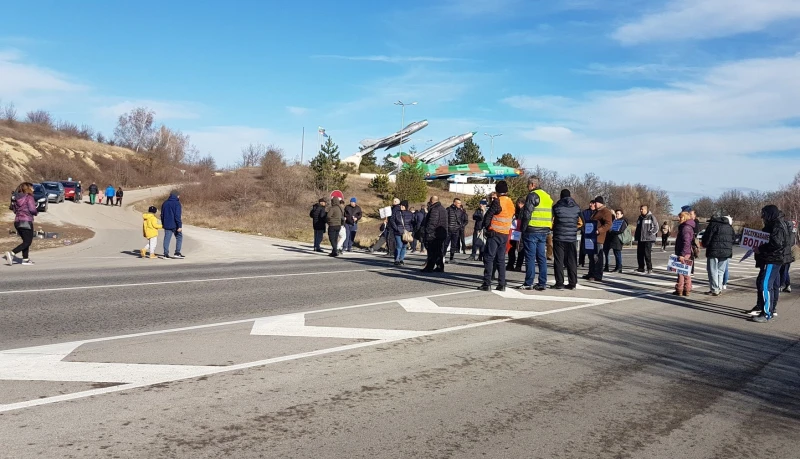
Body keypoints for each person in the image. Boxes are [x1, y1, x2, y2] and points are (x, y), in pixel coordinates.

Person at [749, 206, 789, 322]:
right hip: (772, 258)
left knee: (765, 285)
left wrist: (760, 249)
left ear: (770, 214)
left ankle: (767, 313)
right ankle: (766, 310)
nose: (762, 216)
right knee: (767, 284)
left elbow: (776, 244)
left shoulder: (776, 226)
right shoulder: (776, 225)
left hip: (772, 259)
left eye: (764, 213)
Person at [519, 176, 553, 291]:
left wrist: (523, 230)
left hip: (532, 230)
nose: (527, 187)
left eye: (528, 185)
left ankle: (529, 282)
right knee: (541, 258)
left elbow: (527, 214)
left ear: (532, 185)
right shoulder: (547, 196)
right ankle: (542, 283)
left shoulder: (532, 195)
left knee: (530, 257)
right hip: (544, 230)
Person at [479, 181, 515, 291]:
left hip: (494, 233)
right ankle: (502, 284)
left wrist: (487, 228)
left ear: (498, 191)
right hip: (505, 234)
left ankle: (487, 283)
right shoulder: (510, 202)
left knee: (489, 258)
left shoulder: (498, 202)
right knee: (501, 259)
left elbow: (488, 216)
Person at [551, 189, 582, 290]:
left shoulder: (556, 207)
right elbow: (581, 223)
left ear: (561, 196)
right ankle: (572, 282)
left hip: (559, 237)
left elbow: (551, 222)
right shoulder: (577, 208)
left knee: (559, 260)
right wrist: (573, 229)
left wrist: (555, 228)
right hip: (572, 238)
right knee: (572, 260)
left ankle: (559, 282)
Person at [5, 182, 38, 266]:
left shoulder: (16, 197)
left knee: (25, 241)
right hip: (26, 221)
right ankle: (12, 253)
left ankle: (25, 260)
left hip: (17, 221)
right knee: (28, 242)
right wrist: (36, 210)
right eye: (32, 187)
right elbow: (32, 210)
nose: (33, 189)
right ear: (28, 188)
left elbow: (15, 210)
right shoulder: (29, 197)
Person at [701, 213, 735, 296]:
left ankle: (714, 289)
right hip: (726, 251)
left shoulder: (713, 225)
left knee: (712, 270)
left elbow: (707, 237)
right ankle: (719, 288)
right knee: (721, 271)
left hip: (713, 250)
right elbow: (733, 239)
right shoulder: (729, 227)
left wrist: (705, 244)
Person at [587, 196, 613, 282]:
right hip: (592, 237)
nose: (594, 204)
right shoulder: (596, 212)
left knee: (597, 257)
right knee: (591, 256)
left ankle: (597, 275)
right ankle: (591, 273)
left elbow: (608, 224)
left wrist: (599, 230)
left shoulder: (606, 212)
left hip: (599, 238)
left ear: (599, 203)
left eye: (595, 202)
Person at [422, 196, 448, 272]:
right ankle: (440, 266)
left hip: (434, 234)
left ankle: (429, 267)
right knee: (438, 251)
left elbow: (432, 223)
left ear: (432, 201)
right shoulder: (443, 209)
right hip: (441, 233)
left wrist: (427, 231)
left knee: (432, 251)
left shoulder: (434, 209)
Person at [673, 211, 696, 296]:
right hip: (686, 252)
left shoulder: (685, 228)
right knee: (685, 271)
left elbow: (686, 242)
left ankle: (680, 289)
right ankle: (686, 289)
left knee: (681, 271)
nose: (679, 219)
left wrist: (682, 254)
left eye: (681, 217)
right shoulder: (687, 227)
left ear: (685, 218)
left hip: (684, 252)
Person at [634, 205, 659, 274]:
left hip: (648, 239)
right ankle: (641, 267)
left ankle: (649, 268)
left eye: (642, 209)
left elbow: (656, 227)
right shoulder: (640, 218)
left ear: (646, 209)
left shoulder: (651, 217)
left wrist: (650, 233)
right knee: (639, 254)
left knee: (647, 254)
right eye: (640, 209)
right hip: (641, 238)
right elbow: (638, 228)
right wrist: (636, 236)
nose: (641, 210)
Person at [161, 190, 185, 259]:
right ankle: (177, 253)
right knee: (179, 237)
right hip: (175, 224)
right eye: (178, 195)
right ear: (176, 195)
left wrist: (163, 223)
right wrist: (179, 226)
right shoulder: (177, 203)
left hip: (167, 224)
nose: (179, 196)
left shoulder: (165, 203)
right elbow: (177, 215)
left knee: (167, 238)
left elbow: (162, 215)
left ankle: (165, 254)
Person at [506, 198, 526, 272]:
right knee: (511, 247)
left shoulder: (526, 211)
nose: (519, 205)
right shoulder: (515, 210)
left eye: (520, 203)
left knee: (520, 249)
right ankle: (510, 264)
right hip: (514, 230)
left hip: (521, 231)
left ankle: (518, 266)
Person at [391, 200, 414, 266]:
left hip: (406, 232)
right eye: (400, 205)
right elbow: (392, 221)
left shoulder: (410, 214)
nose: (401, 206)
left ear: (405, 206)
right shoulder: (397, 213)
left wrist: (410, 229)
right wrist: (396, 228)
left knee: (404, 246)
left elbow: (412, 222)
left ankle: (401, 259)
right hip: (398, 232)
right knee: (399, 245)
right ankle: (396, 259)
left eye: (402, 205)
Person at [605, 209, 628, 273]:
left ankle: (619, 268)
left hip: (618, 240)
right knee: (616, 254)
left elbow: (621, 230)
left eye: (618, 214)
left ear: (622, 215)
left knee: (618, 254)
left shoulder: (623, 222)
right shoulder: (615, 221)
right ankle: (616, 267)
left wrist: (612, 231)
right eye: (616, 214)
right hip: (614, 239)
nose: (617, 215)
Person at [445, 198, 467, 263]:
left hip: (456, 230)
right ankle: (442, 257)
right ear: (454, 203)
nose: (459, 204)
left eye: (460, 203)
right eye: (458, 203)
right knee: (445, 244)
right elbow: (445, 219)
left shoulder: (461, 211)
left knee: (453, 245)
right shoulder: (448, 209)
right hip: (449, 230)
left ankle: (451, 258)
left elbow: (464, 219)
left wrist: (461, 226)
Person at [579, 201, 595, 267]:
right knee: (582, 248)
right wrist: (583, 230)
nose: (590, 204)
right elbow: (581, 221)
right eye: (590, 203)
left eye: (592, 203)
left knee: (591, 249)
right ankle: (581, 262)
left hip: (593, 233)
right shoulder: (585, 212)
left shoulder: (597, 212)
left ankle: (592, 262)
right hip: (585, 232)